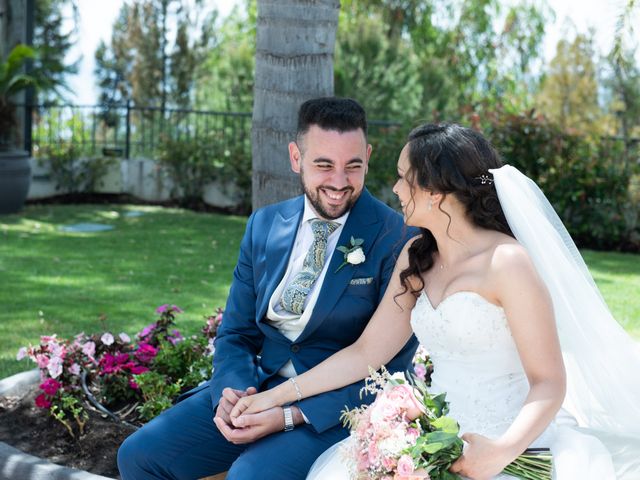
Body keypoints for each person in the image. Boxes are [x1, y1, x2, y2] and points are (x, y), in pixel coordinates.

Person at [229, 123, 640, 479]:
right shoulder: (416, 257)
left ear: (436, 191)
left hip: (511, 443)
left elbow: (549, 383)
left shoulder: (507, 264)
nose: (393, 189)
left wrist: (500, 452)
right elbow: (365, 353)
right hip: (430, 438)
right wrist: (273, 397)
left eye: (404, 178)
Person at [117, 97, 418, 479]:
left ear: (368, 157)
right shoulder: (264, 225)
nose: (339, 182)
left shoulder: (397, 238)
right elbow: (237, 333)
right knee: (139, 455)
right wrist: (233, 394)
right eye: (323, 165)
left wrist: (289, 416)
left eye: (353, 166)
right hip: (258, 389)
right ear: (296, 158)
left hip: (333, 409)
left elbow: (390, 366)